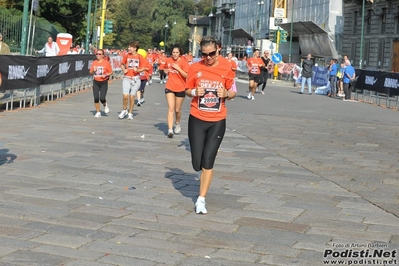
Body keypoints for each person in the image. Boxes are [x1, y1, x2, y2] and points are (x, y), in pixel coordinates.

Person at [185, 36, 236, 214]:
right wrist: (193, 91)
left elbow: (233, 92)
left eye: (211, 54)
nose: (208, 58)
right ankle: (201, 172)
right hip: (197, 118)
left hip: (217, 120)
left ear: (218, 50)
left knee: (208, 161)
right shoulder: (195, 68)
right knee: (196, 162)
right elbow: (186, 90)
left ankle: (201, 199)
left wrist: (226, 93)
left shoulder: (226, 67)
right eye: (204, 54)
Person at [164, 44, 190, 138]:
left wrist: (178, 68)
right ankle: (170, 130)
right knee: (171, 108)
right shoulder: (168, 60)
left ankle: (177, 123)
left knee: (177, 110)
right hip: (170, 86)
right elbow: (165, 68)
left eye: (177, 53)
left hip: (180, 88)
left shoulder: (183, 62)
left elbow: (187, 75)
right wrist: (165, 71)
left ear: (180, 53)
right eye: (173, 52)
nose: (175, 54)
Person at [119, 41, 149, 120]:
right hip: (127, 78)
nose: (129, 48)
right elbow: (122, 64)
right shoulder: (126, 55)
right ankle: (124, 109)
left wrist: (138, 70)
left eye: (130, 47)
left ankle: (130, 113)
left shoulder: (140, 57)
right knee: (125, 95)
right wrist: (124, 69)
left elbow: (145, 67)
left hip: (136, 79)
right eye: (128, 47)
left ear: (135, 48)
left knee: (132, 97)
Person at [89, 49, 113, 118]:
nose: (98, 55)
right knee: (96, 98)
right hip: (96, 82)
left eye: (99, 54)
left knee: (102, 98)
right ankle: (98, 112)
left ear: (102, 55)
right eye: (97, 54)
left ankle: (105, 105)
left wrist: (106, 75)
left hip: (103, 82)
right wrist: (93, 70)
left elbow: (111, 72)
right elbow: (90, 73)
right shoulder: (94, 62)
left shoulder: (106, 63)